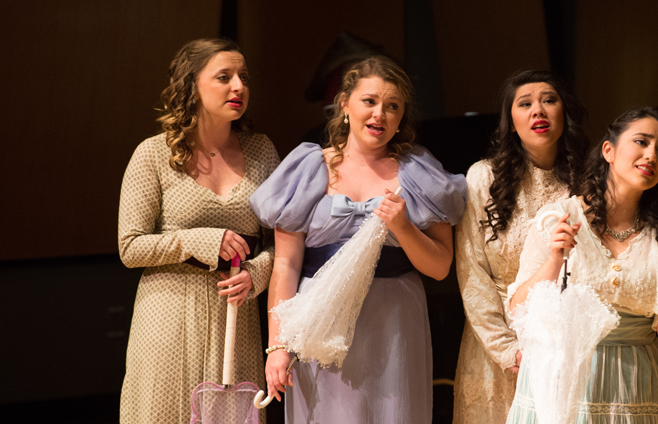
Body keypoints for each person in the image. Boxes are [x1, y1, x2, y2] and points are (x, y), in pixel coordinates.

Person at [250, 56, 467, 423]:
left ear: (401, 118)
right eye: (370, 101)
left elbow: (440, 267)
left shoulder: (421, 175)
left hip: (394, 323)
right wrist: (278, 346)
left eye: (392, 106)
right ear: (345, 104)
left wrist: (404, 228)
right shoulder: (308, 169)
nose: (379, 114)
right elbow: (286, 265)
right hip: (320, 320)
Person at [506, 106, 658, 423]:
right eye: (642, 142)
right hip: (563, 377)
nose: (652, 155)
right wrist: (554, 260)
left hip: (635, 383)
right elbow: (517, 309)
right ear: (609, 150)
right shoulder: (560, 217)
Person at [118, 38, 278, 423]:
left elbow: (282, 242)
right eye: (224, 77)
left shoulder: (262, 152)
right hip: (169, 313)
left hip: (236, 318)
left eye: (243, 77)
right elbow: (130, 247)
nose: (238, 86)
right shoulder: (153, 154)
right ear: (191, 86)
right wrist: (200, 239)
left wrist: (258, 273)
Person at [454, 69, 590, 423]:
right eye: (525, 104)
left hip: (563, 340)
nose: (538, 111)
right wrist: (507, 350)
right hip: (495, 341)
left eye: (548, 100)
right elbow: (472, 271)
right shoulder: (483, 177)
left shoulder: (588, 182)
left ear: (565, 113)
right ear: (511, 122)